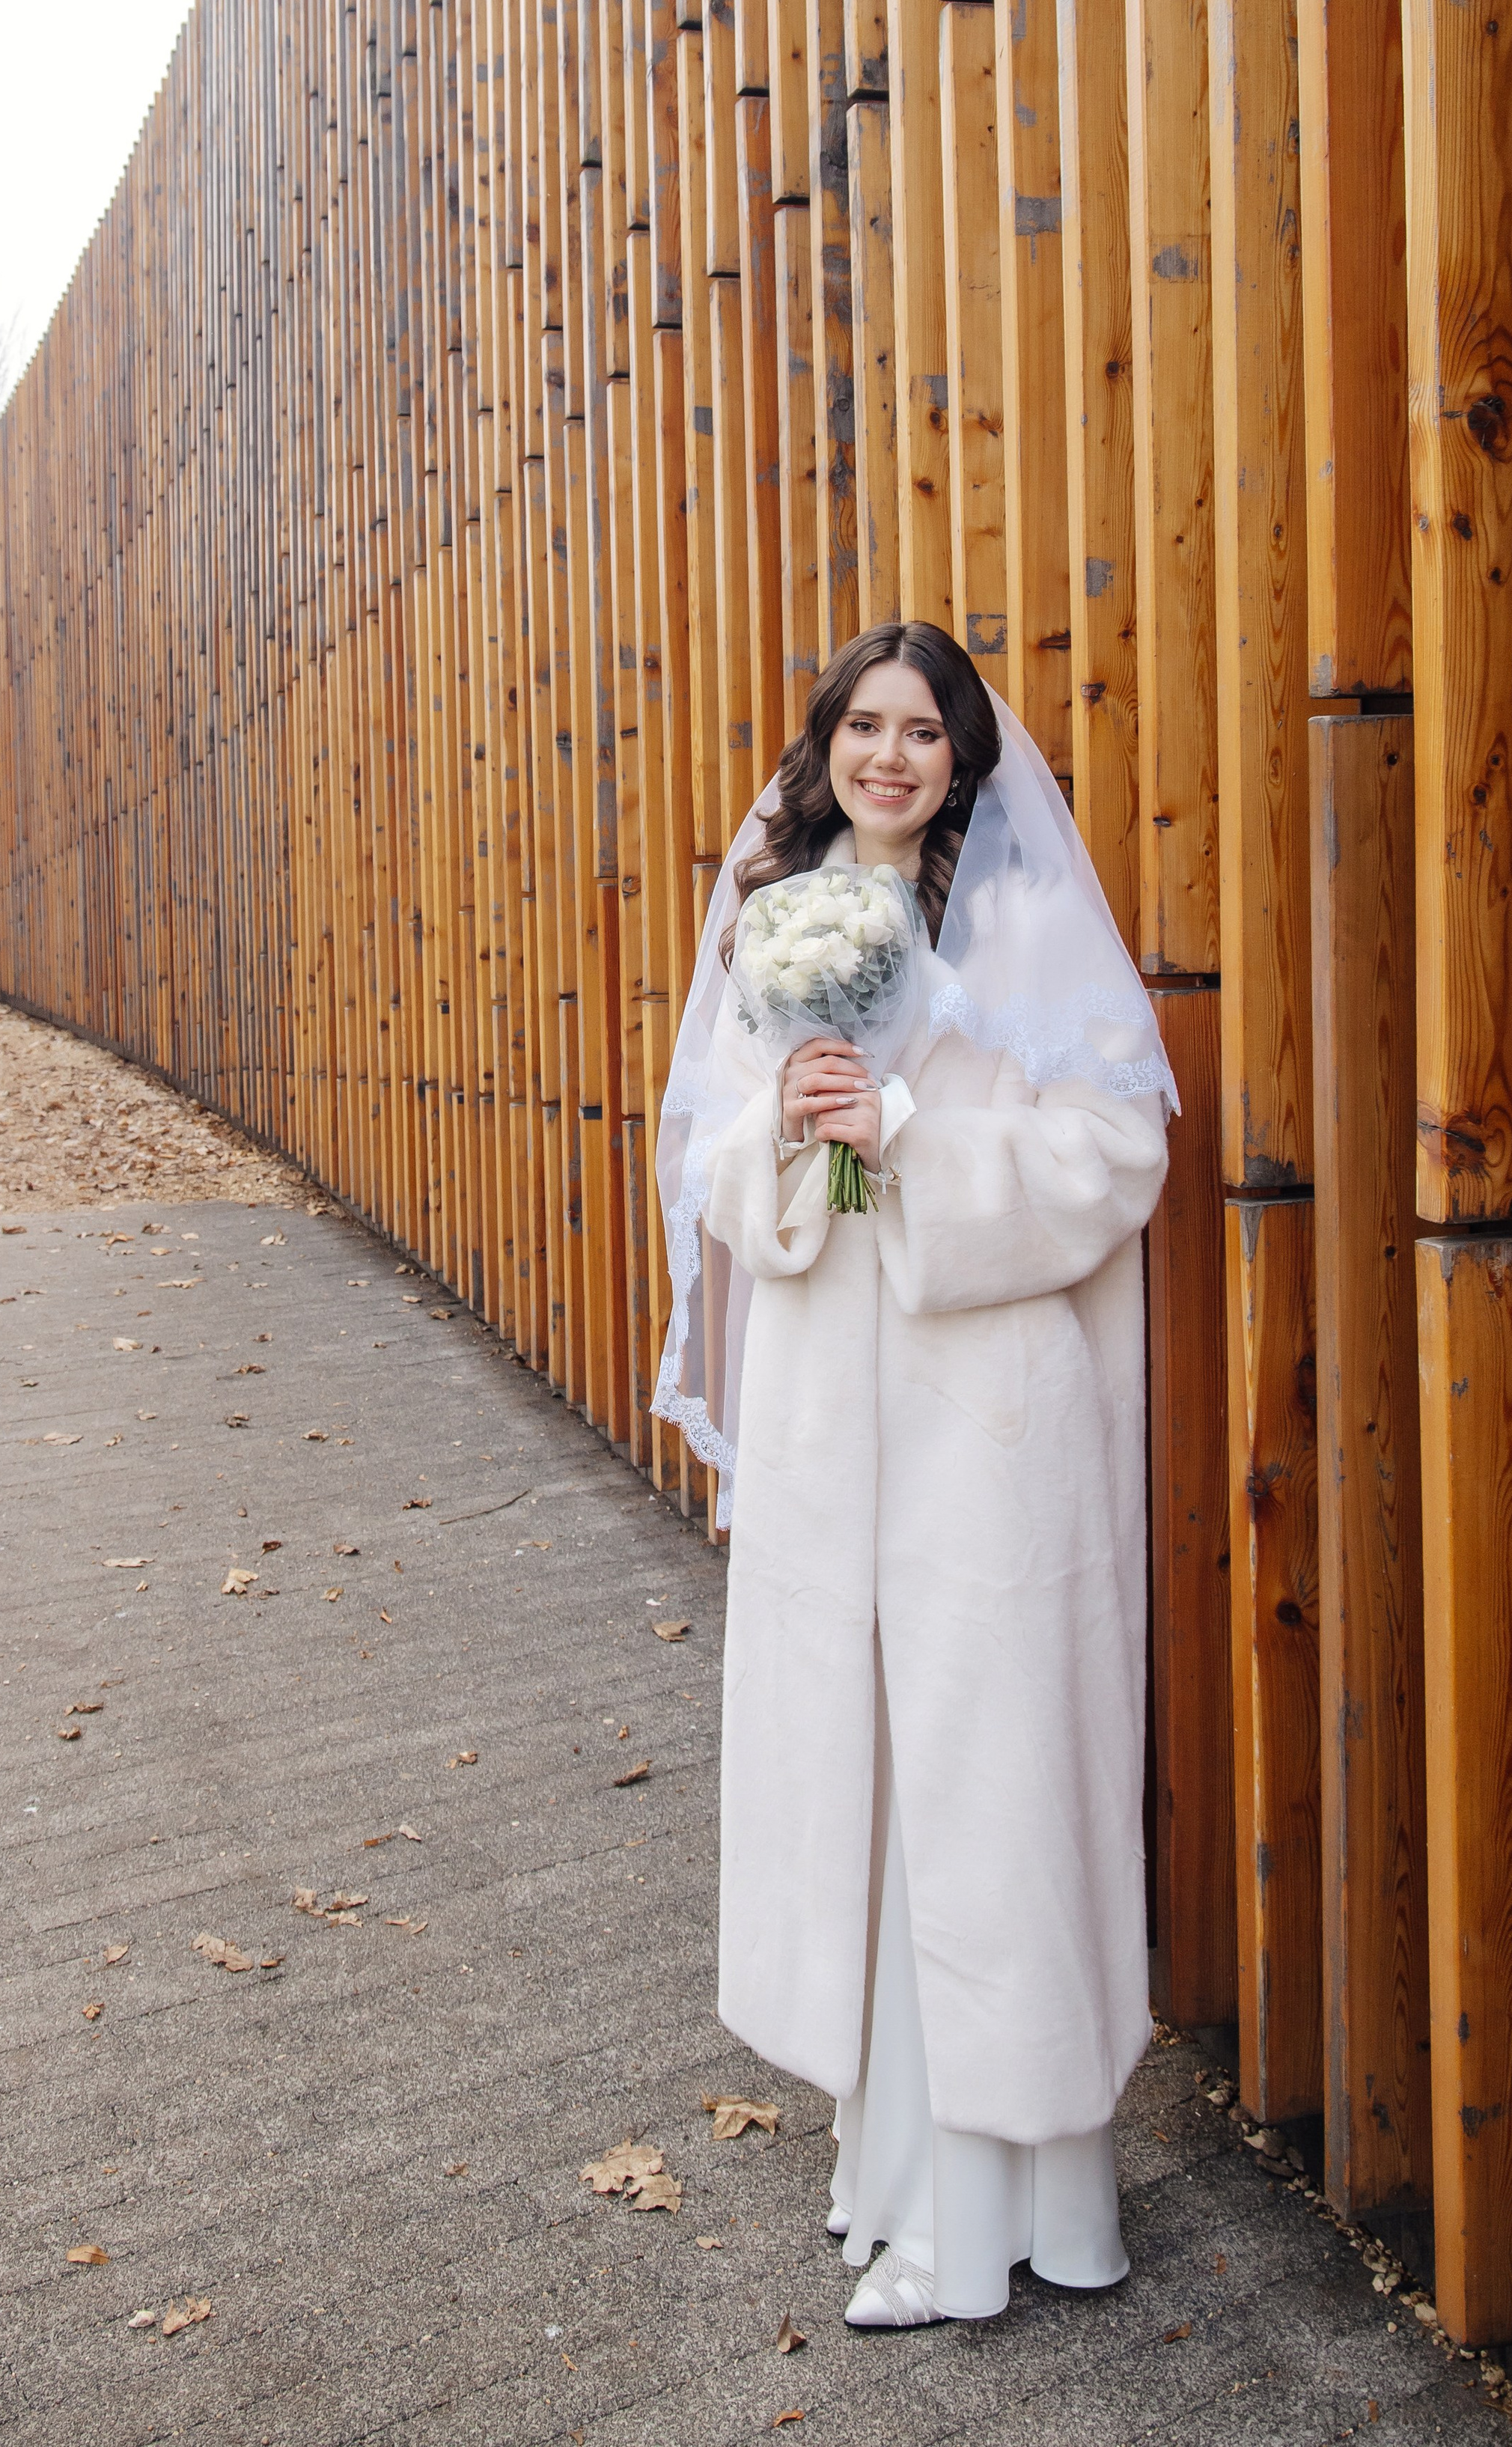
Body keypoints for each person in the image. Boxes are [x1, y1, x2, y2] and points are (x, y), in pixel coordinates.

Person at [653, 619, 1177, 2329]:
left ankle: (983, 2219)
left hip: (982, 1427)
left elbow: (1116, 1154)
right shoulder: (774, 907)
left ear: (963, 754)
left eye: (921, 729)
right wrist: (793, 1127)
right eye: (862, 726)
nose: (889, 755)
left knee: (988, 1793)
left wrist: (918, 1146)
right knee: (863, 1787)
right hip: (831, 1426)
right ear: (829, 746)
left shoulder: (1018, 913)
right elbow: (713, 1169)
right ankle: (884, 2175)